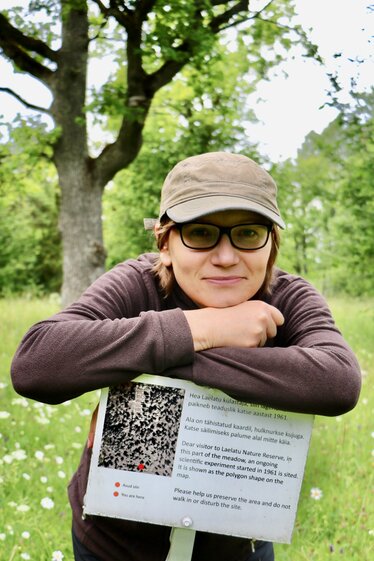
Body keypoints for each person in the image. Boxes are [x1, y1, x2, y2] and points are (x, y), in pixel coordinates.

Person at [11, 152, 361, 561]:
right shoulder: (135, 284)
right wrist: (202, 329)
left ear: (271, 244)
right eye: (200, 233)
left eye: (247, 233)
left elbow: (337, 381)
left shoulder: (290, 297)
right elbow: (35, 362)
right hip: (116, 544)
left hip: (237, 542)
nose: (226, 256)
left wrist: (160, 361)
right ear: (165, 242)